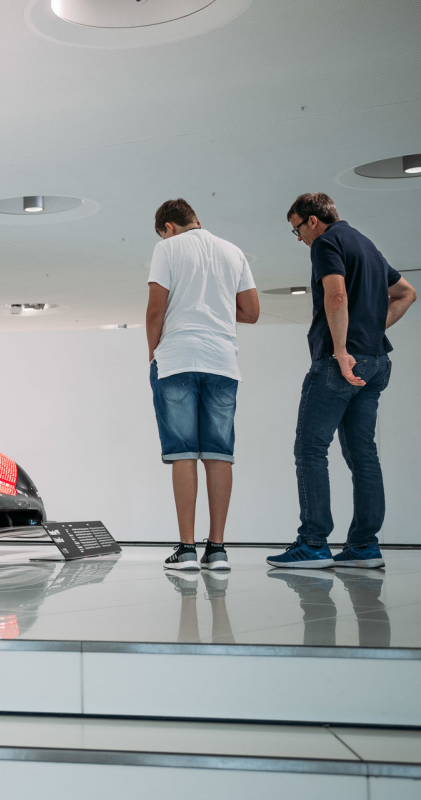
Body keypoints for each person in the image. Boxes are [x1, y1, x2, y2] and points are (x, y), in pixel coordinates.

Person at [267, 193, 415, 569]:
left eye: (297, 229)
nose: (299, 238)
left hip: (339, 364)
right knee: (363, 454)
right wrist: (368, 333)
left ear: (312, 221)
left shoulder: (327, 243)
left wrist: (342, 349)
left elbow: (335, 297)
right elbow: (406, 293)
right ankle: (365, 546)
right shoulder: (365, 243)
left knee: (310, 449)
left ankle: (314, 543)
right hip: (377, 361)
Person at [146, 199, 259, 571]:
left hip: (178, 359)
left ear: (169, 227)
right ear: (197, 220)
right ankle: (219, 549)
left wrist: (152, 352)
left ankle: (187, 548)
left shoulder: (167, 248)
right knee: (218, 454)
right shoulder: (233, 251)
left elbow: (155, 309)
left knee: (182, 453)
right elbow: (251, 312)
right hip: (223, 364)